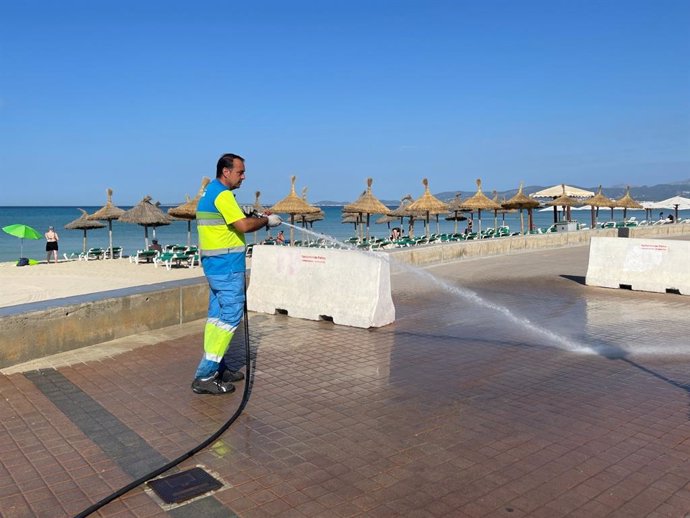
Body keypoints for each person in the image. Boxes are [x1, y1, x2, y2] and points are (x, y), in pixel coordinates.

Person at [192, 153, 282, 395]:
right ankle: (205, 375)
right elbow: (242, 226)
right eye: (240, 172)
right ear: (226, 172)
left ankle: (219, 367)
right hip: (227, 266)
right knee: (230, 318)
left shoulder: (210, 191)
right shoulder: (222, 195)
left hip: (215, 266)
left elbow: (231, 220)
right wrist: (266, 222)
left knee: (216, 318)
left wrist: (256, 215)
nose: (244, 176)